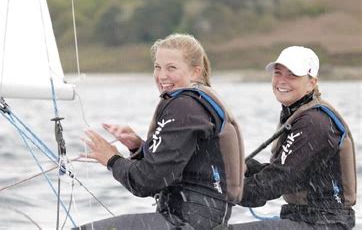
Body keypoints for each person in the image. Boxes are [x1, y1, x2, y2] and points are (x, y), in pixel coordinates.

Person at [77, 33, 245, 229]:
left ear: (195, 72)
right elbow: (167, 170)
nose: (162, 75)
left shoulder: (185, 107)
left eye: (171, 68)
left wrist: (112, 159)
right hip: (196, 220)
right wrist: (138, 147)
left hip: (186, 223)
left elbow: (146, 181)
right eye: (157, 67)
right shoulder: (197, 103)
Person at [231, 46, 357, 229]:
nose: (282, 80)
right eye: (278, 73)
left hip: (324, 223)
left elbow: (274, 183)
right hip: (306, 218)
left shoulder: (314, 122)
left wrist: (222, 186)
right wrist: (243, 168)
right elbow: (287, 170)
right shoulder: (299, 113)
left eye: (292, 75)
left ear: (312, 83)